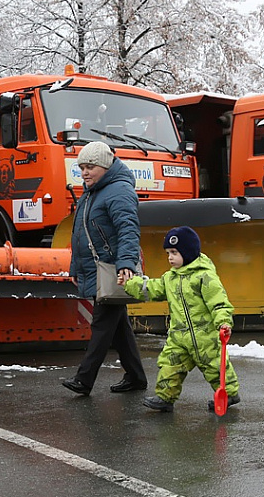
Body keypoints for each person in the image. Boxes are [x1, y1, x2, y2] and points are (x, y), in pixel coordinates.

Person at [121, 226, 240, 412]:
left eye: (175, 252)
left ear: (188, 252)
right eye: (168, 253)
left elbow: (219, 303)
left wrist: (223, 322)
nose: (170, 257)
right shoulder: (170, 278)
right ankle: (165, 397)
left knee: (214, 366)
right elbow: (152, 288)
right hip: (179, 335)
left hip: (205, 336)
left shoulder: (204, 276)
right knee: (170, 364)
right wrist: (130, 283)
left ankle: (229, 393)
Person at [62, 141, 148, 396]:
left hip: (112, 269)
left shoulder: (119, 191)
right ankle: (136, 377)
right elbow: (80, 235)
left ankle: (84, 379)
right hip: (97, 269)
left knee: (101, 324)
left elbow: (128, 230)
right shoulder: (92, 192)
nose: (85, 172)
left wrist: (126, 264)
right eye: (82, 168)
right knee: (118, 327)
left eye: (90, 167)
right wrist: (75, 268)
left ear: (105, 166)